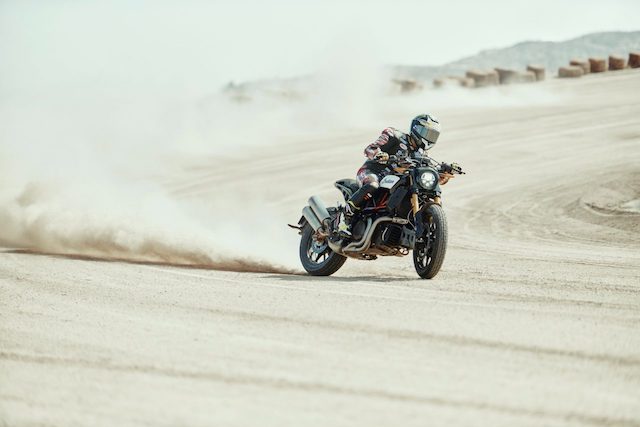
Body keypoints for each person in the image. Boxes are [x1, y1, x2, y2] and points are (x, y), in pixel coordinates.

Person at [338, 114, 441, 238]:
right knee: (372, 185)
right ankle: (344, 219)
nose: (428, 138)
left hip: (394, 180)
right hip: (372, 172)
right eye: (426, 133)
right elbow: (370, 149)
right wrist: (379, 154)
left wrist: (444, 169)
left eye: (432, 135)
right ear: (416, 129)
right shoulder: (393, 135)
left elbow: (428, 169)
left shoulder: (421, 154)